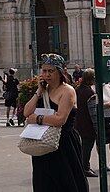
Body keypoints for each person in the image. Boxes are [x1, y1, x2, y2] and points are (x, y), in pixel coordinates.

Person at [23, 53, 88, 191]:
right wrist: (38, 91)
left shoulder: (67, 91)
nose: (47, 74)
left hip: (63, 143)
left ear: (60, 72)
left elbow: (60, 119)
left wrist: (38, 119)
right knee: (44, 182)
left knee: (65, 182)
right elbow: (26, 112)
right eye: (44, 71)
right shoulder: (43, 90)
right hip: (43, 143)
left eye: (51, 71)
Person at [73, 68, 98, 177]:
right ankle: (85, 168)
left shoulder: (78, 90)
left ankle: (80, 166)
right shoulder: (89, 92)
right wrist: (96, 127)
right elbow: (93, 111)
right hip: (87, 124)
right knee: (87, 147)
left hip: (78, 122)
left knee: (81, 146)